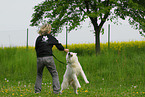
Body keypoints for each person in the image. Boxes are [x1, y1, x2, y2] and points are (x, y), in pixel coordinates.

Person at [34, 23, 69, 94]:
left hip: (39, 58)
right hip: (48, 58)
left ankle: (37, 91)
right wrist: (64, 49)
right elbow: (58, 45)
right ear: (49, 30)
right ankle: (56, 91)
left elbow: (36, 48)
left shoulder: (38, 38)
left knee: (39, 74)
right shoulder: (51, 37)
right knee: (54, 74)